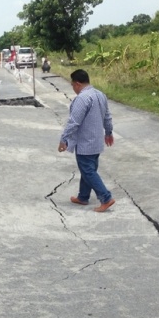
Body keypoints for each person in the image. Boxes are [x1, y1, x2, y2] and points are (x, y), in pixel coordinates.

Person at [58, 69, 115, 212]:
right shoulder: (100, 95)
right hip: (96, 142)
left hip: (85, 142)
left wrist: (63, 139)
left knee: (88, 171)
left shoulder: (82, 98)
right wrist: (108, 132)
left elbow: (74, 122)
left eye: (72, 85)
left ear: (77, 84)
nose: (73, 88)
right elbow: (107, 117)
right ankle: (83, 197)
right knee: (88, 169)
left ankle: (106, 198)